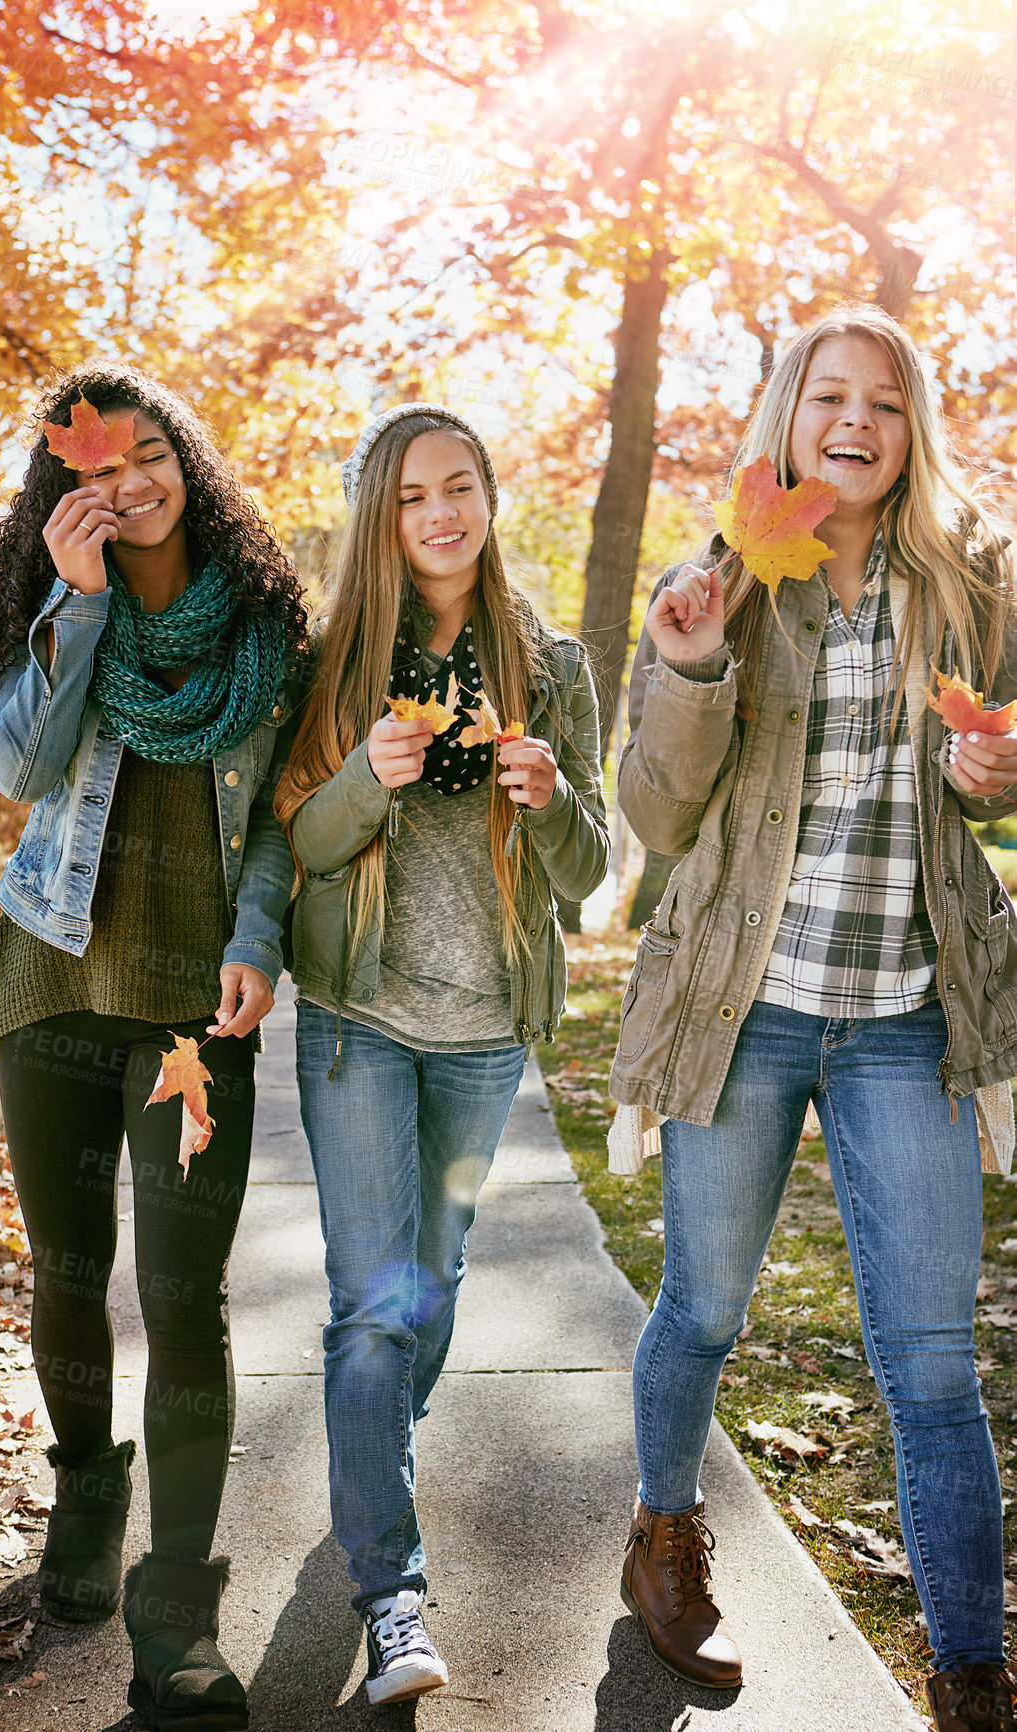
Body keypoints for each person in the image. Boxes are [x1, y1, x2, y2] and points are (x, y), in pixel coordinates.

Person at [608, 305, 1017, 1729]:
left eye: (885, 403)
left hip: (909, 1012)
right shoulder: (720, 581)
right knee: (704, 1308)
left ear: (912, 432)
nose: (854, 421)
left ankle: (969, 1668)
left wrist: (990, 775)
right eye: (827, 395)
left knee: (928, 1358)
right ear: (785, 415)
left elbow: (998, 765)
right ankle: (661, 1535)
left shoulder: (972, 583)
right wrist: (693, 668)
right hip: (743, 1010)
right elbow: (654, 814)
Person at [0, 364, 307, 1732]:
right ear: (61, 493)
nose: (127, 483)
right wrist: (80, 604)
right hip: (50, 977)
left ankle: (177, 1613)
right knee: (68, 1267)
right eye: (92, 468)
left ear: (185, 458)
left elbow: (277, 810)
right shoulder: (53, 606)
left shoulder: (271, 625)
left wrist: (261, 936)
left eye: (146, 452)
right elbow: (21, 771)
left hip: (189, 1017)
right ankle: (86, 1487)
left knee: (182, 1297)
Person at [274, 404, 609, 1704]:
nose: (438, 513)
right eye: (411, 494)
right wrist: (364, 772)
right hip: (359, 1021)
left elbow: (591, 874)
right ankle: (392, 1598)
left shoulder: (551, 662)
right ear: (384, 515)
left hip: (483, 1039)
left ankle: (377, 1458)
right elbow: (302, 843)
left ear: (485, 496)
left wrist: (552, 799)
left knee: (436, 1280)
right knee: (371, 1309)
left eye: (457, 485)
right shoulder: (340, 660)